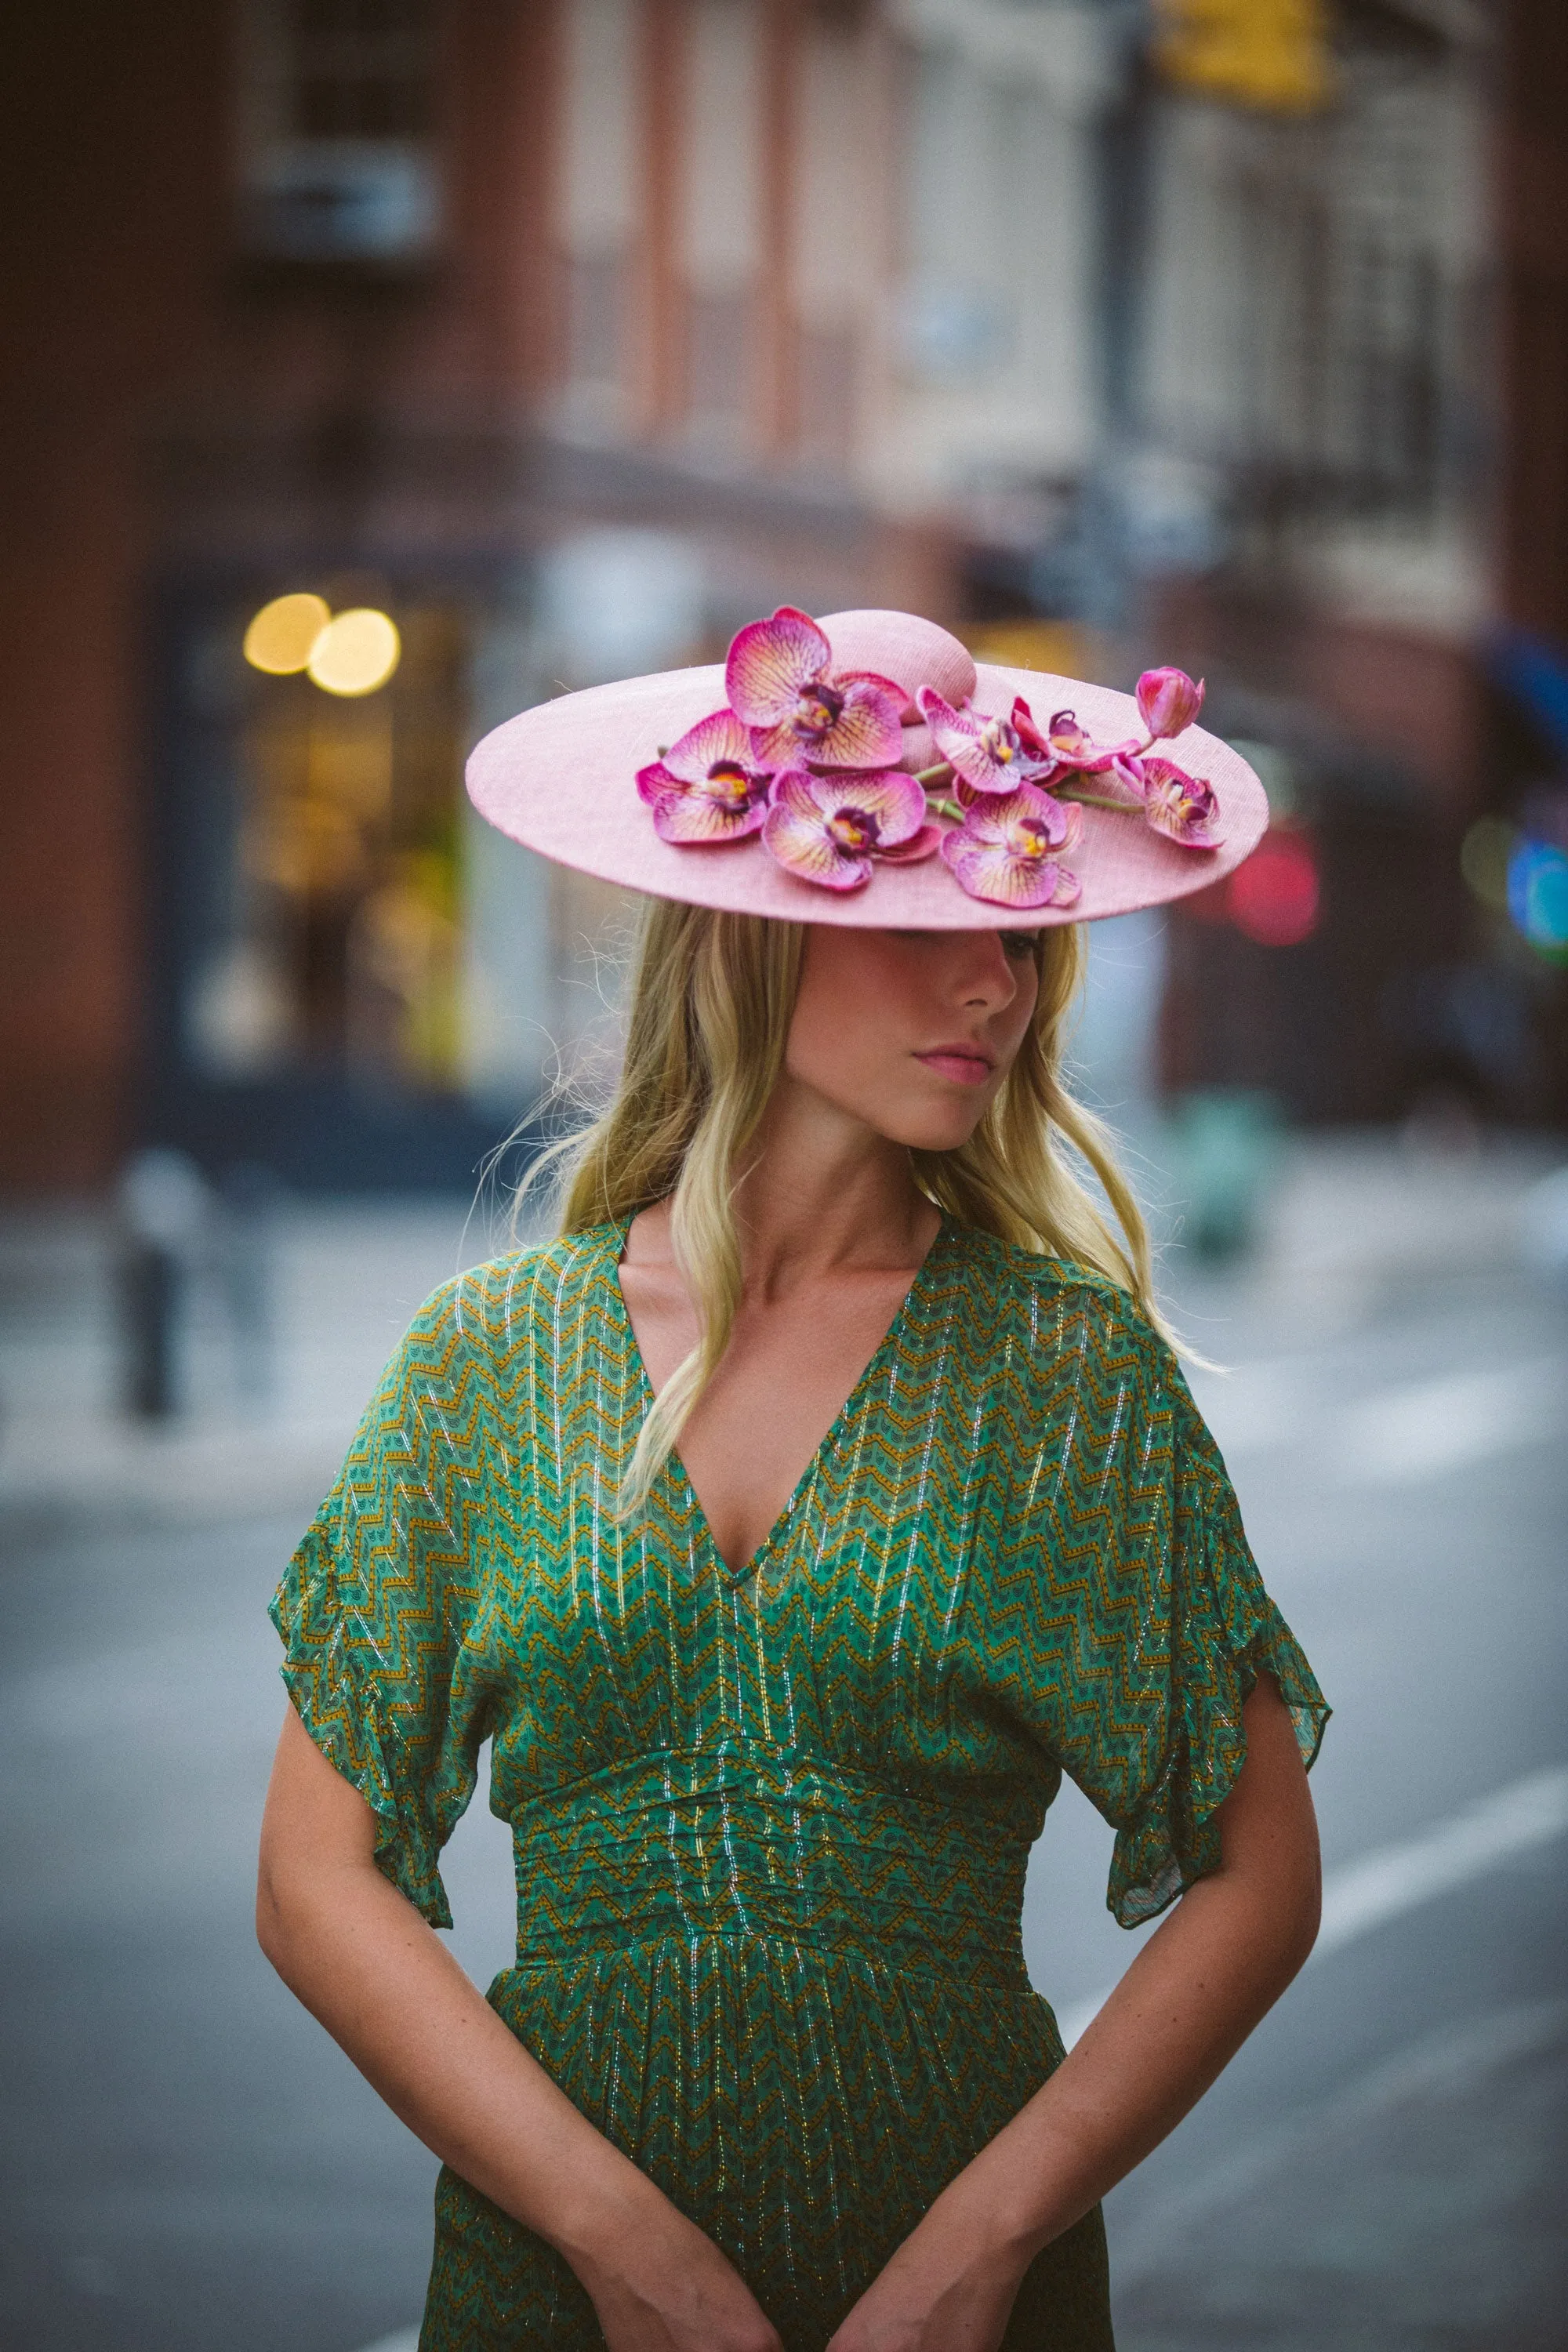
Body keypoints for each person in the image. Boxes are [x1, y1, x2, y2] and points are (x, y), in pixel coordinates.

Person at [257, 608, 1327, 2352]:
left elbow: (1260, 1877)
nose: (996, 980)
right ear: (755, 931)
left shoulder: (1066, 1377)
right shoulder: (487, 1358)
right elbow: (312, 1877)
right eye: (931, 923)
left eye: (1019, 924)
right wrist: (619, 2244)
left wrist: (984, 2249)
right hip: (549, 2288)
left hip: (964, 2291)